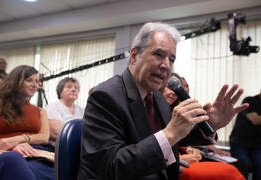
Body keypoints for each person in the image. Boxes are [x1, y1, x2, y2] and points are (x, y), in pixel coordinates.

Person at [78, 22, 248, 180]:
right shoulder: (105, 96)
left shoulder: (157, 96)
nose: (166, 65)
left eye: (171, 59)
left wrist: (210, 124)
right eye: (159, 54)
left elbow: (175, 139)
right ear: (134, 55)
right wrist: (170, 133)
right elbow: (109, 167)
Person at [161, 81, 245, 180]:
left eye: (180, 88)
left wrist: (212, 125)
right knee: (231, 172)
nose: (174, 92)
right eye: (170, 87)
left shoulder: (172, 110)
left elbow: (181, 138)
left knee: (239, 165)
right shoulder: (152, 106)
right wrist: (173, 159)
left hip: (181, 157)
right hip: (167, 164)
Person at [0, 65, 54, 180]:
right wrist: (12, 145)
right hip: (4, 152)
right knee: (12, 159)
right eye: (29, 80)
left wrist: (19, 139)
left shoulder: (40, 111)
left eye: (36, 82)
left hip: (36, 153)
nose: (35, 85)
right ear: (15, 82)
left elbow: (44, 137)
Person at [230, 90, 261, 180]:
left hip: (257, 144)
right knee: (243, 166)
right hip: (239, 142)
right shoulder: (249, 101)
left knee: (259, 167)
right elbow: (255, 120)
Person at [45, 77, 84, 147]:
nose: (73, 89)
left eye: (76, 88)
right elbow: (57, 133)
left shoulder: (81, 110)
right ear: (60, 91)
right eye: (69, 87)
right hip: (61, 148)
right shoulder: (51, 108)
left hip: (81, 146)